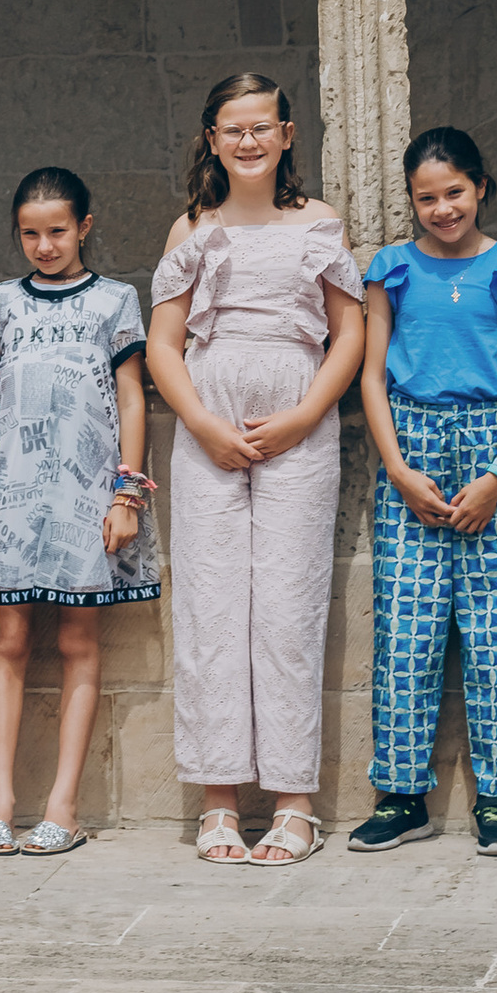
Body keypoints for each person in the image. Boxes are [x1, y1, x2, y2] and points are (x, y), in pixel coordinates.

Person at [145, 69, 364, 869]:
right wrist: (201, 423)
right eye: (232, 129)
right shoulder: (191, 232)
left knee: (286, 606)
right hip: (209, 421)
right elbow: (164, 345)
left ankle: (294, 799)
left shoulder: (319, 226)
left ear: (286, 135)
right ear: (212, 138)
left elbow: (348, 334)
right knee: (210, 607)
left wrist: (310, 414)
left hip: (297, 421)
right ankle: (218, 798)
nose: (248, 141)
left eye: (262, 127)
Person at [348, 125, 497, 858]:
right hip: (411, 445)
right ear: (411, 200)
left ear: (481, 187)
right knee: (407, 630)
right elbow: (372, 375)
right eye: (426, 197)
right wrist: (397, 468)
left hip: (494, 448)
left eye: (455, 192)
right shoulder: (392, 269)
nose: (442, 208)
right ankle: (402, 796)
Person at [0, 164, 156, 860]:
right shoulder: (0, 301)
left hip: (87, 497)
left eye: (56, 231)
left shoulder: (114, 301)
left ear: (84, 226)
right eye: (29, 234)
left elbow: (132, 397)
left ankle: (64, 805)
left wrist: (126, 492)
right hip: (14, 497)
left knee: (80, 644)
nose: (44, 246)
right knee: (9, 641)